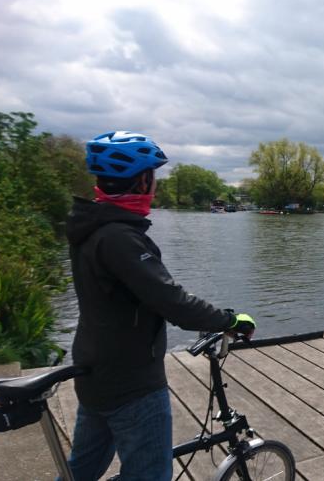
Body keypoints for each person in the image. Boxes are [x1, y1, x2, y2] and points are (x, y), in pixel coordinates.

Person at [65, 131, 256, 480]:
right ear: (142, 181)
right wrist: (229, 320)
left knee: (81, 471)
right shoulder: (120, 238)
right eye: (153, 177)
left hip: (94, 372)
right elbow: (172, 301)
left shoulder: (91, 227)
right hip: (132, 383)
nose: (155, 186)